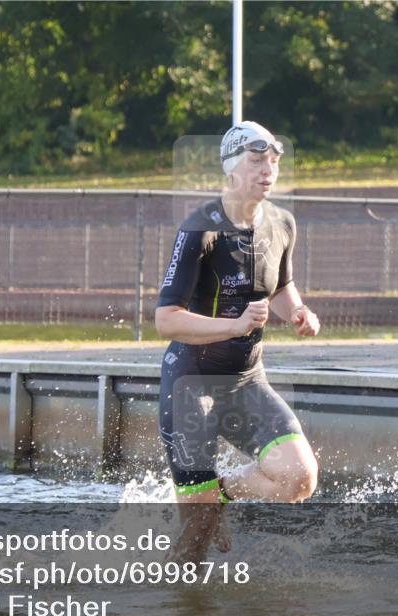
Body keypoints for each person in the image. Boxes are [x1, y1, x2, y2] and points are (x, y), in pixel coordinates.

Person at [154, 121, 321, 562]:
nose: (268, 170)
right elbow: (166, 320)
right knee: (192, 548)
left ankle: (219, 496)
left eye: (273, 161)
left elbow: (282, 287)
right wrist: (233, 326)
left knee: (300, 478)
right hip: (191, 387)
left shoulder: (282, 224)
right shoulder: (199, 230)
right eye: (256, 161)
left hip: (246, 382)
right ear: (231, 169)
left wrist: (299, 312)